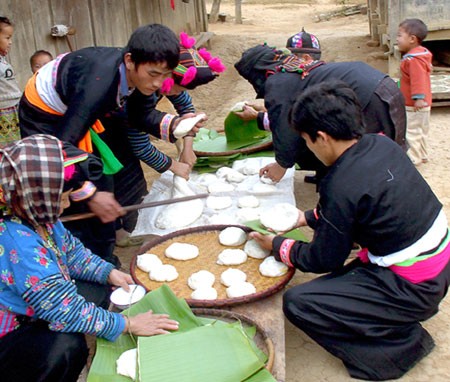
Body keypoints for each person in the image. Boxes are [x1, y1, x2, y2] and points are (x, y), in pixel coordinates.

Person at [250, 81, 450, 381]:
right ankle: (389, 315)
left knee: (300, 302)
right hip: (437, 268)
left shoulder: (340, 183)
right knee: (344, 280)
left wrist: (277, 245)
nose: (308, 148)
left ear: (322, 137)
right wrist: (305, 218)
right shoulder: (380, 144)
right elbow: (359, 206)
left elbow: (323, 260)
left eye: (306, 140)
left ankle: (397, 348)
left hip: (414, 288)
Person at [18, 24, 203, 264]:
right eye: (154, 74)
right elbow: (61, 147)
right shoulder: (98, 83)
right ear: (129, 60)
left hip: (78, 115)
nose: (159, 83)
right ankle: (87, 260)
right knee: (69, 187)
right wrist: (90, 194)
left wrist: (177, 123)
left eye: (166, 74)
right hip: (43, 117)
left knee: (100, 173)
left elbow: (139, 116)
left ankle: (108, 247)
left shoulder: (140, 77)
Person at [0, 135, 179, 382]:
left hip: (38, 303)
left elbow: (72, 253)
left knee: (102, 287)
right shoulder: (18, 242)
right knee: (65, 347)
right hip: (12, 330)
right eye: (61, 198)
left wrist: (109, 273)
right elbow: (62, 310)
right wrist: (127, 324)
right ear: (36, 196)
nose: (66, 204)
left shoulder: (38, 216)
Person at [99, 31, 225, 246]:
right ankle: (115, 233)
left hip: (126, 131)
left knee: (134, 188)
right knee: (115, 181)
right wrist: (173, 166)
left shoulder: (171, 84)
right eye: (179, 86)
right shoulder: (140, 95)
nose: (178, 91)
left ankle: (128, 227)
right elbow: (139, 145)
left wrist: (187, 147)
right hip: (106, 133)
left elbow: (187, 109)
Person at [234, 35, 406, 186]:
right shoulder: (290, 69)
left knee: (370, 156)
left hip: (371, 97)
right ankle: (329, 177)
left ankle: (367, 198)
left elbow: (286, 130)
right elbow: (294, 116)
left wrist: (281, 166)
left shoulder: (277, 81)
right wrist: (263, 113)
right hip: (380, 86)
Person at [396, 18, 432, 166]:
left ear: (412, 39)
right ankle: (423, 155)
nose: (397, 39)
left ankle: (414, 158)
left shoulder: (413, 60)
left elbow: (418, 79)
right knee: (421, 131)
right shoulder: (422, 55)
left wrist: (418, 98)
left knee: (411, 131)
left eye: (399, 35)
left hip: (414, 104)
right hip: (424, 104)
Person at [0, 16, 21, 148]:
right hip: (3, 110)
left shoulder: (3, 60)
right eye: (7, 38)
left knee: (15, 144)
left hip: (13, 108)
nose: (10, 42)